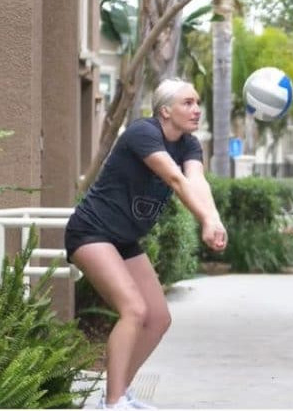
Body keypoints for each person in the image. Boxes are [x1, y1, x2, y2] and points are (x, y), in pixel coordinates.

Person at [65, 78, 227, 409]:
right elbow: (174, 178)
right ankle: (112, 403)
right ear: (165, 111)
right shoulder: (143, 133)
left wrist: (214, 219)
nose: (196, 109)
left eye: (198, 102)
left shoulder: (188, 145)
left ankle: (119, 392)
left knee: (158, 318)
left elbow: (196, 181)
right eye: (187, 103)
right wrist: (204, 220)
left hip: (123, 240)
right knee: (134, 310)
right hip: (91, 232)